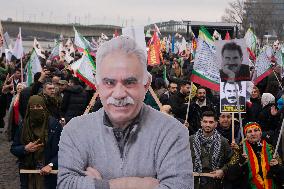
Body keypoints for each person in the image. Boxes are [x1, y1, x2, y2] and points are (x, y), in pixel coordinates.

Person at [57, 36, 193, 189]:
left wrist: (96, 185)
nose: (119, 93)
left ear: (146, 84)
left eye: (129, 82)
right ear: (97, 84)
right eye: (109, 82)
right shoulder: (75, 131)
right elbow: (66, 185)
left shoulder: (172, 132)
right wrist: (127, 185)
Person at [10, 95, 62, 189]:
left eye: (38, 106)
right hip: (28, 173)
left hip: (48, 172)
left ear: (44, 107)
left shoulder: (54, 125)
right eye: (32, 107)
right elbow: (13, 148)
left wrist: (51, 165)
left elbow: (62, 150)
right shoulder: (23, 125)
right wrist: (25, 148)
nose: (35, 109)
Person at [227, 122, 284, 188]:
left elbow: (282, 175)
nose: (253, 134)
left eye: (256, 130)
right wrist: (240, 163)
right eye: (249, 131)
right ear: (246, 135)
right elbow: (230, 175)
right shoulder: (241, 150)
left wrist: (277, 167)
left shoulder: (271, 149)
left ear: (260, 133)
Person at [189, 111, 233, 189]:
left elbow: (232, 160)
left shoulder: (223, 141)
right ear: (201, 123)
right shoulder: (190, 140)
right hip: (194, 183)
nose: (208, 125)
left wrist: (223, 170)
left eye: (211, 122)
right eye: (205, 122)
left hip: (214, 183)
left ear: (216, 124)